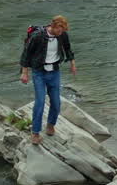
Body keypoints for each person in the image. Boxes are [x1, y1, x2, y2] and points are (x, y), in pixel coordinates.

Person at [19, 15, 76, 145]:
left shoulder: (62, 35)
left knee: (56, 102)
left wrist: (72, 63)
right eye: (59, 30)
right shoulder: (38, 36)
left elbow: (68, 49)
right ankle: (35, 133)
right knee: (40, 102)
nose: (61, 33)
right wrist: (24, 73)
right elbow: (26, 54)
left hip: (54, 72)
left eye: (63, 31)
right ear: (53, 26)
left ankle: (50, 125)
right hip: (39, 72)